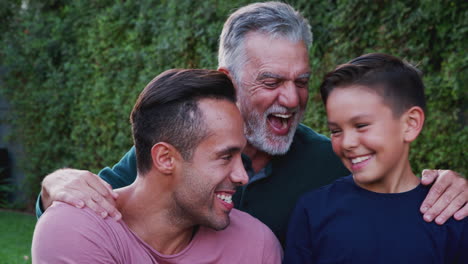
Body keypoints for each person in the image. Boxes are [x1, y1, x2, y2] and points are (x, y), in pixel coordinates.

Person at [36, 2, 467, 246]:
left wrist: (449, 185)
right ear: (227, 81)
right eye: (271, 81)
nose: (292, 98)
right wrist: (55, 183)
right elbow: (91, 203)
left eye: (301, 81)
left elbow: (397, 189)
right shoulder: (178, 146)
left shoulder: (328, 160)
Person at [32, 69, 282, 263]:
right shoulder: (77, 229)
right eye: (226, 157)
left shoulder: (256, 245)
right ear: (165, 158)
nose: (242, 176)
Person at [283, 53, 468, 263]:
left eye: (361, 125)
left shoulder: (451, 216)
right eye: (335, 131)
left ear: (410, 124)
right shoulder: (313, 211)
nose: (347, 143)